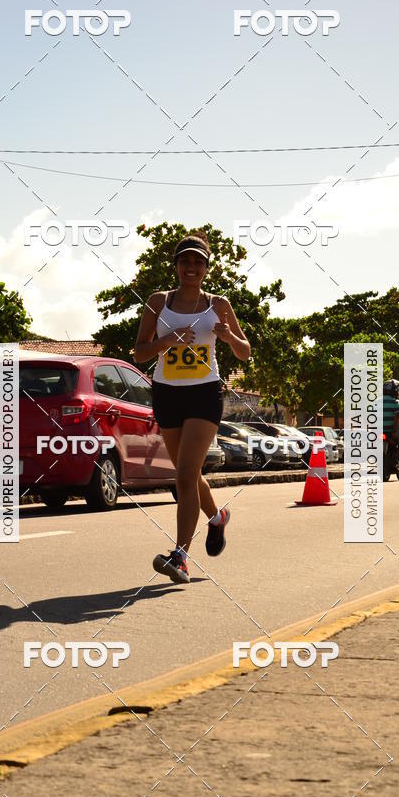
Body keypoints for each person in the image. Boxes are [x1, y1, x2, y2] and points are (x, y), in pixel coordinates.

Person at [134, 232, 251, 583]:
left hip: (204, 394)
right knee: (190, 475)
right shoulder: (157, 302)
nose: (191, 267)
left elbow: (245, 351)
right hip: (168, 394)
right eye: (185, 260)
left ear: (206, 268)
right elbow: (139, 353)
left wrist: (229, 337)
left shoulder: (219, 304)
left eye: (198, 262)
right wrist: (166, 341)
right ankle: (217, 518)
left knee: (183, 476)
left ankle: (180, 557)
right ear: (176, 266)